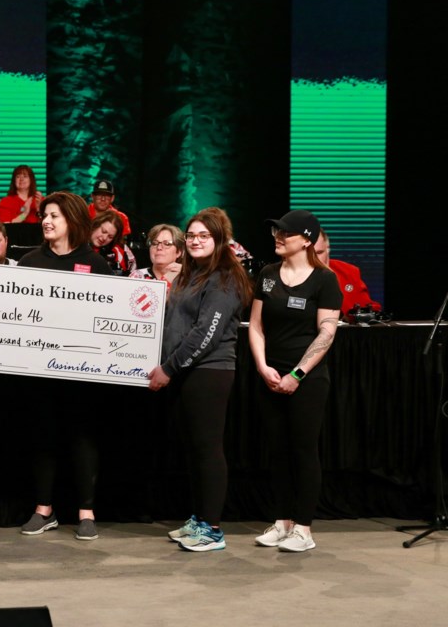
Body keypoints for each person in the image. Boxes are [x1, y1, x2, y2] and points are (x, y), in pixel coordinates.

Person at [148, 207, 253, 552]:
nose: (195, 240)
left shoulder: (224, 278)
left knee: (208, 450)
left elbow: (205, 335)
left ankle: (213, 529)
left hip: (209, 372)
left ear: (220, 239)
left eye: (203, 235)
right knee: (194, 450)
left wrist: (168, 369)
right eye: (191, 235)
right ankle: (199, 519)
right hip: (187, 372)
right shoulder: (192, 275)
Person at [18, 191, 111, 540]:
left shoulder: (97, 264)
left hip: (83, 375)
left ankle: (86, 512)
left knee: (83, 438)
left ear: (72, 220)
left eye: (54, 215)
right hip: (40, 374)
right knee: (43, 437)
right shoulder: (29, 262)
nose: (46, 221)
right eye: (45, 214)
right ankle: (44, 510)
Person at [249, 209, 342, 553]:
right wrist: (262, 366)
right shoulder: (268, 274)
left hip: (307, 379)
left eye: (284, 232)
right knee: (278, 451)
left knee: (303, 450)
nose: (277, 236)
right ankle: (282, 521)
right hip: (270, 376)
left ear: (305, 240)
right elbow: (256, 325)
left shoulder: (324, 279)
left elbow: (327, 332)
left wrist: (297, 374)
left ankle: (303, 528)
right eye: (275, 231)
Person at [314, 229, 381, 317]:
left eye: (319, 253)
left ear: (328, 250)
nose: (314, 260)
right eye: (308, 254)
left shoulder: (349, 272)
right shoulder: (291, 277)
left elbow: (369, 308)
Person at [130, 224, 185, 288]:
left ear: (178, 252)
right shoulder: (137, 277)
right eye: (154, 243)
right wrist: (167, 279)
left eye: (167, 244)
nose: (159, 247)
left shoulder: (187, 279)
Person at [89, 211, 136, 275]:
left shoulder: (122, 251)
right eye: (103, 231)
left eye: (110, 237)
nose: (104, 238)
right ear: (95, 225)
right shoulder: (76, 242)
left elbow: (133, 276)